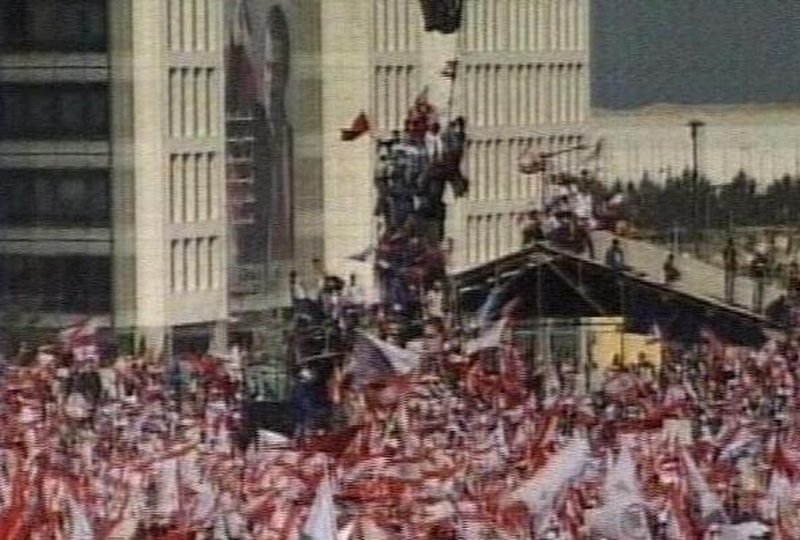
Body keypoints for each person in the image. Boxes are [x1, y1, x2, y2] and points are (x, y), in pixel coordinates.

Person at [750, 249, 769, 314]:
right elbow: (752, 268)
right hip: (757, 277)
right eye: (757, 255)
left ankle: (758, 307)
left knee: (760, 293)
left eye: (758, 255)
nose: (758, 257)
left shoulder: (763, 260)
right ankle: (754, 306)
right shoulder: (754, 261)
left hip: (760, 277)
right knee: (756, 292)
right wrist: (757, 268)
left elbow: (766, 264)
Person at [723, 237, 738, 303]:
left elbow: (725, 258)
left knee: (729, 283)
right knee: (729, 283)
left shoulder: (730, 249)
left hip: (730, 267)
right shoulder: (728, 249)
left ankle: (729, 297)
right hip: (729, 267)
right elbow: (725, 258)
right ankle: (728, 297)